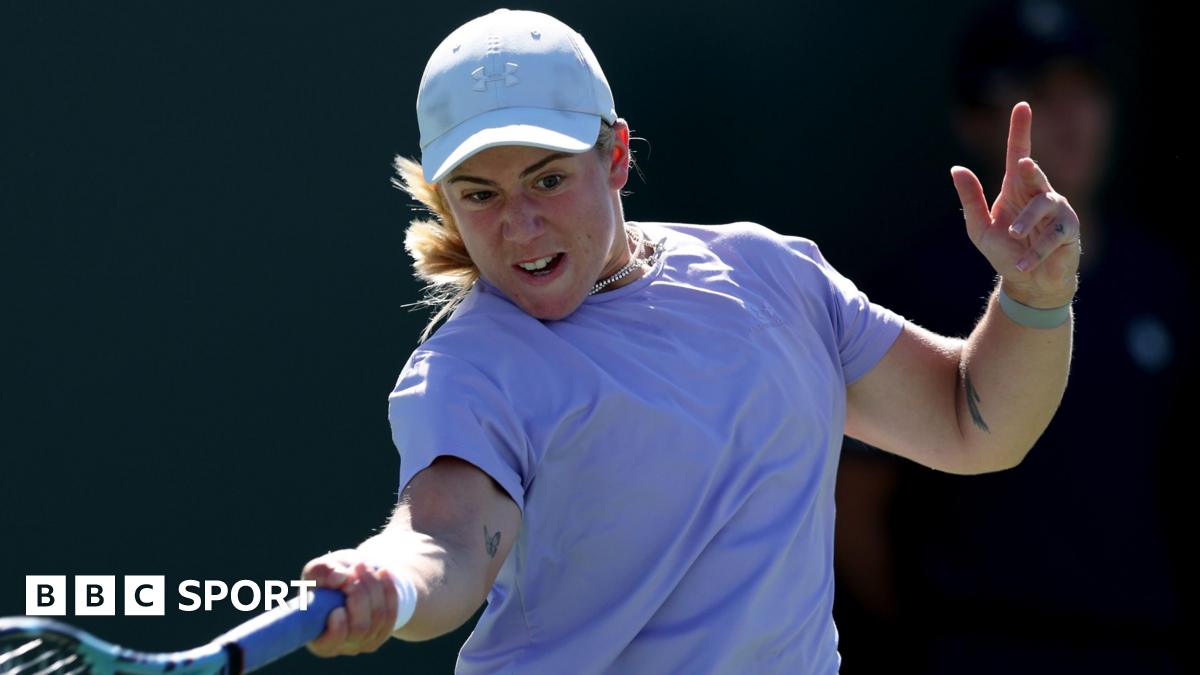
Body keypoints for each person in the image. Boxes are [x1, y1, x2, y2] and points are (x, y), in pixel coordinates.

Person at [298, 8, 1082, 673]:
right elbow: (449, 537)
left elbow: (971, 420)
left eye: (547, 179)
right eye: (480, 195)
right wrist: (389, 580)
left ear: (614, 155)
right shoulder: (467, 368)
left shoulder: (771, 273)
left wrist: (1034, 299)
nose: (519, 225)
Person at [832, 1, 1190, 673]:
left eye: (1083, 88)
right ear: (975, 121)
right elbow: (857, 495)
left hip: (1137, 647)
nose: (1069, 116)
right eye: (1036, 96)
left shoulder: (1163, 282)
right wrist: (921, 637)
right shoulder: (913, 286)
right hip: (979, 644)